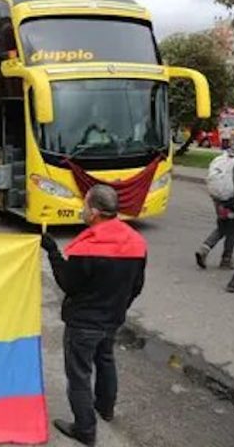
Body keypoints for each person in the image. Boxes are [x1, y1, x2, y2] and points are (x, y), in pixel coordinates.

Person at [41, 185, 146, 447]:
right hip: (112, 319)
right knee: (106, 359)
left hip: (83, 324)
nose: (83, 210)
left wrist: (53, 251)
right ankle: (106, 407)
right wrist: (118, 307)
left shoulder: (88, 247)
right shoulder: (136, 242)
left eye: (85, 205)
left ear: (96, 212)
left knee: (79, 375)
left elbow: (68, 283)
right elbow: (137, 285)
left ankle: (85, 429)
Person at [196, 136, 234, 271]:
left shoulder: (226, 156)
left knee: (224, 225)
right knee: (232, 228)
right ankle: (226, 259)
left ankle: (206, 249)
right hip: (233, 200)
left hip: (219, 198)